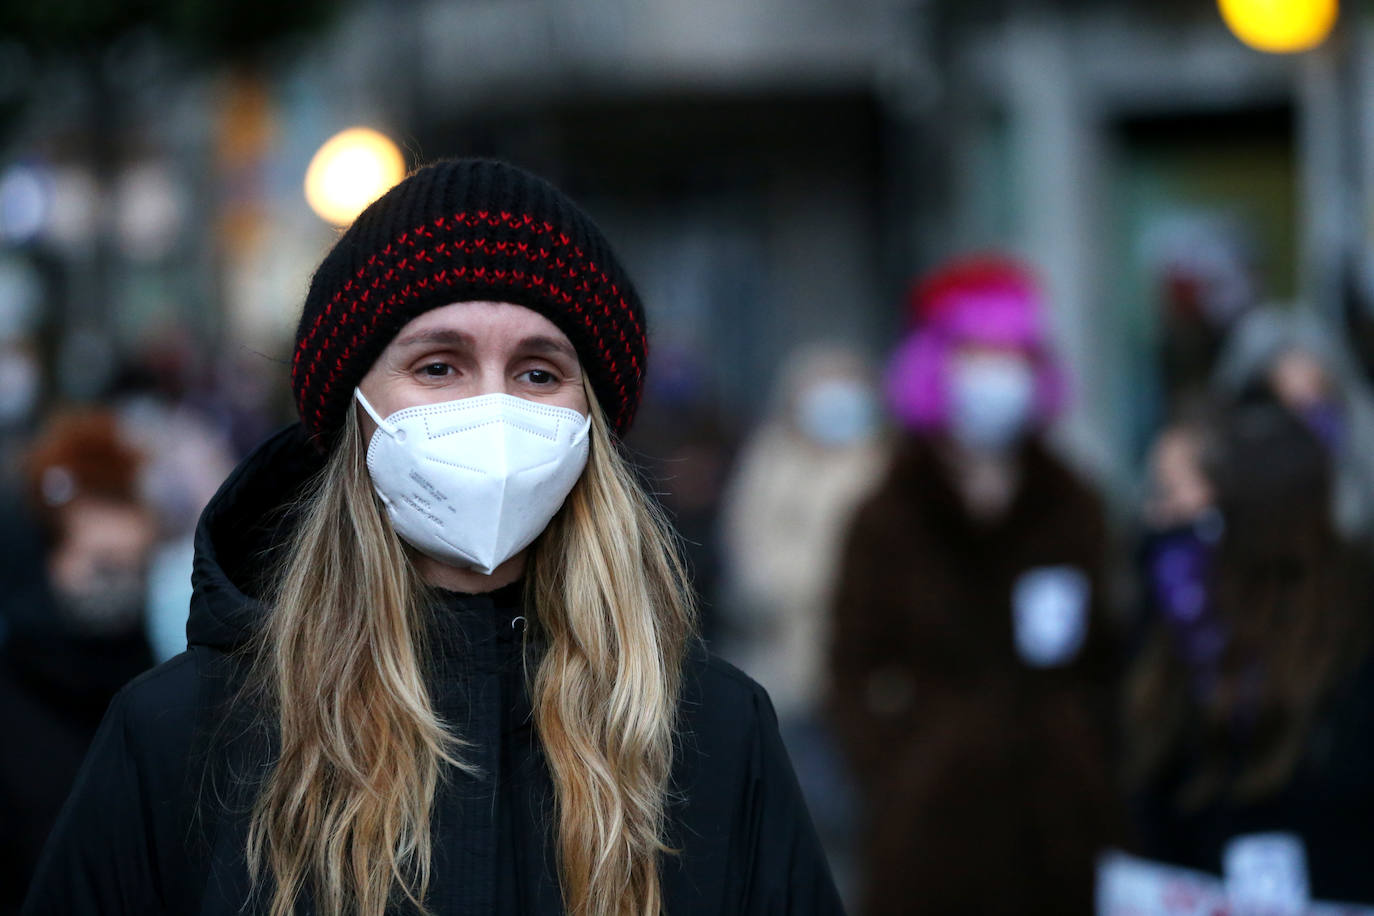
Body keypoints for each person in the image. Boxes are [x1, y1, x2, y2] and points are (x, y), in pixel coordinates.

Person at [23, 159, 842, 916]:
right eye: (438, 366)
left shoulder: (711, 730)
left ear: (590, 422)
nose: (490, 409)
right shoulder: (186, 736)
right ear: (356, 413)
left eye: (538, 373)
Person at [829, 255, 1121, 916]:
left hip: (1061, 826)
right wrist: (898, 765)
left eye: (1014, 355)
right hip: (930, 827)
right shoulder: (887, 513)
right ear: (937, 365)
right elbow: (849, 662)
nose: (998, 375)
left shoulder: (1075, 504)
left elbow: (1107, 651)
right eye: (978, 353)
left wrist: (1086, 754)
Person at [1127, 404, 1374, 905]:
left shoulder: (1352, 631)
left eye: (1173, 494)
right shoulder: (1173, 627)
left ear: (1247, 507)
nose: (1158, 517)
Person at [0, 411, 157, 913]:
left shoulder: (154, 691)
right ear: (44, 559)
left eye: (136, 567)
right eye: (103, 565)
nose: (122, 586)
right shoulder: (13, 698)